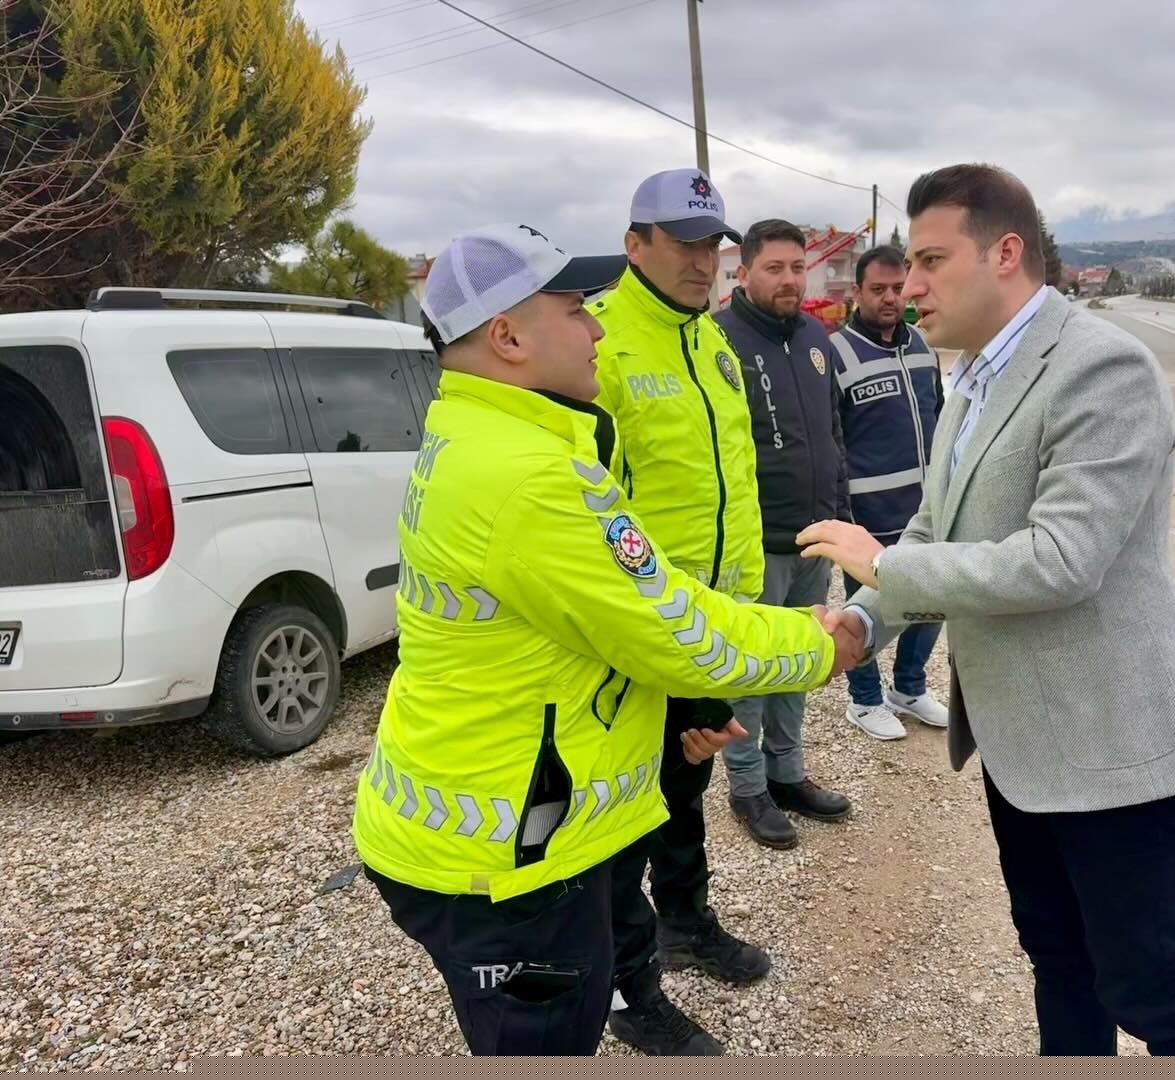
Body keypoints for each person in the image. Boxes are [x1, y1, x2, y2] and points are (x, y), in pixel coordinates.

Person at [350, 223, 862, 1057]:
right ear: (507, 336)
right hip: (509, 867)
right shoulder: (529, 475)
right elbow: (673, 631)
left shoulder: (490, 437)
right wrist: (816, 642)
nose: (596, 329)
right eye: (574, 311)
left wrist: (685, 701)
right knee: (545, 1035)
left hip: (493, 827)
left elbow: (606, 619)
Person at [798, 163, 1175, 1057]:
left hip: (1114, 752)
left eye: (930, 259)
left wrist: (880, 562)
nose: (907, 284)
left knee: (1151, 992)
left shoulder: (1101, 367)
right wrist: (866, 621)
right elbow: (933, 528)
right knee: (1058, 965)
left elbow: (1061, 561)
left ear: (1005, 252)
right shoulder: (971, 377)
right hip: (1020, 747)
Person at [587, 169, 775, 1055]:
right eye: (685, 242)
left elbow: (731, 487)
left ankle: (687, 922)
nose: (705, 261)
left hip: (709, 627)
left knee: (686, 788)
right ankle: (630, 992)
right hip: (633, 639)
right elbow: (590, 516)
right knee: (626, 818)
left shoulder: (712, 344)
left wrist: (736, 622)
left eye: (713, 244)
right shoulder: (599, 342)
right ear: (636, 244)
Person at [711, 218, 854, 850]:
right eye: (775, 268)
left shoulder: (818, 337)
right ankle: (747, 789)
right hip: (755, 545)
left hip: (813, 541)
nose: (790, 279)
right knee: (748, 672)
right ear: (743, 273)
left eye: (798, 267)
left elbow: (831, 436)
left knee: (798, 666)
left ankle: (787, 773)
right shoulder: (720, 341)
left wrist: (840, 515)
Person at [828, 243, 948, 741]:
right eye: (878, 290)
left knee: (930, 603)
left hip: (925, 512)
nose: (890, 299)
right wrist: (842, 515)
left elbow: (940, 418)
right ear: (858, 292)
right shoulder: (835, 354)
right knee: (867, 612)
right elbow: (831, 439)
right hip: (868, 519)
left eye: (898, 289)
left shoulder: (922, 344)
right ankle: (865, 700)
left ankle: (909, 688)